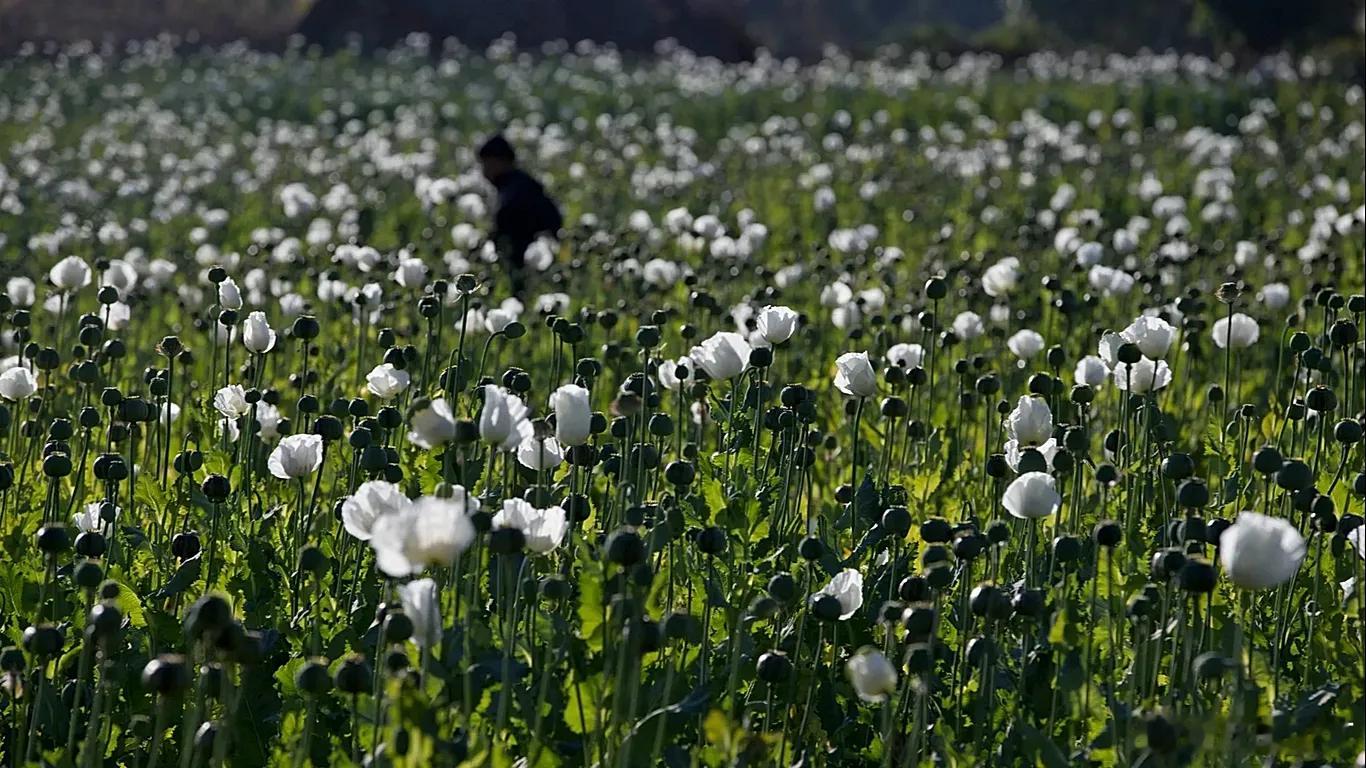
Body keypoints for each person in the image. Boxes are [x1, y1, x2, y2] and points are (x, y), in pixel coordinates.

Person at [477, 135, 562, 297]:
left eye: (487, 164)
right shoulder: (520, 184)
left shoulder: (514, 192)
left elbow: (509, 227)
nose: (484, 171)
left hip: (528, 264)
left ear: (501, 161)